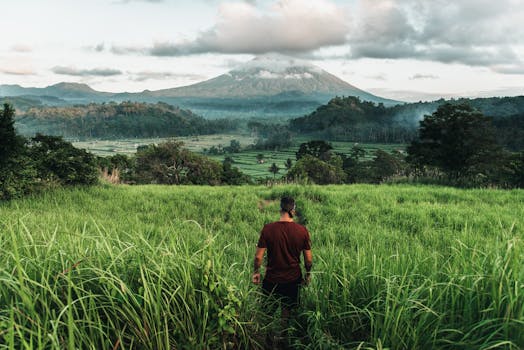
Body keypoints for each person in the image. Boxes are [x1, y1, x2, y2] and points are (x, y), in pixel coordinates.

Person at [252, 196, 313, 338]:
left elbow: (258, 257)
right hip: (292, 279)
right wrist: (307, 274)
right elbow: (308, 260)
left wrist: (256, 272)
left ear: (280, 209)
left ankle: (267, 339)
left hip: (271, 279)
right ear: (293, 210)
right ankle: (283, 338)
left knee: (267, 312)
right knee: (286, 312)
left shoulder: (268, 229)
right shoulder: (302, 230)